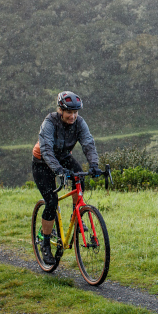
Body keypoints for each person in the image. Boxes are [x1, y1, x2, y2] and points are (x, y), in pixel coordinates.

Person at [32, 91, 101, 265]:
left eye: (75, 112)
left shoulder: (79, 123)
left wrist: (94, 165)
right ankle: (45, 243)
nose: (73, 116)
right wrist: (58, 170)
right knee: (52, 201)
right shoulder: (49, 122)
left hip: (63, 158)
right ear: (60, 110)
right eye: (69, 112)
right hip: (42, 162)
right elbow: (46, 149)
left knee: (79, 178)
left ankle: (76, 216)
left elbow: (88, 143)